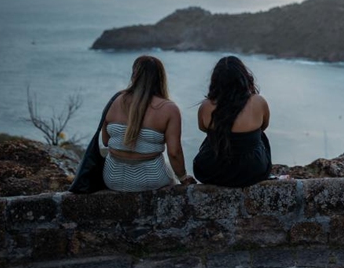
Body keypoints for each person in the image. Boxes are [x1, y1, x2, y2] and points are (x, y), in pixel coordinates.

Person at [102, 55, 196, 191]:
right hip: (151, 179)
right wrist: (182, 177)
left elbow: (105, 141)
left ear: (134, 75)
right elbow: (174, 152)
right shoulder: (169, 108)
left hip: (112, 178)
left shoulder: (115, 100)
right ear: (161, 78)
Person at [193, 56, 272, 187]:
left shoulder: (206, 106)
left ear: (216, 81)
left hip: (213, 169)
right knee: (259, 135)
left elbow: (203, 128)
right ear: (244, 78)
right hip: (252, 170)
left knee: (215, 135)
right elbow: (264, 126)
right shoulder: (259, 101)